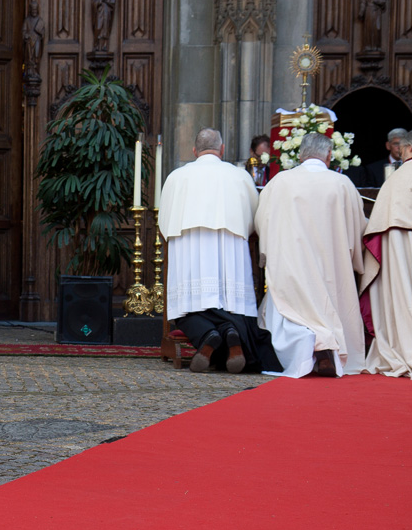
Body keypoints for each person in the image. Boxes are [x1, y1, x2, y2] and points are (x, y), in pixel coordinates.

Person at [159, 127, 278, 374]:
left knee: (189, 304)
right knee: (230, 303)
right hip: (229, 249)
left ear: (194, 150)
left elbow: (165, 223)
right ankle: (230, 331)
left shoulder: (177, 177)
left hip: (188, 249)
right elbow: (253, 220)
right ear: (222, 150)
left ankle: (209, 335)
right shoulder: (240, 176)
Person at [256, 133, 366, 378]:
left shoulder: (280, 181)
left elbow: (262, 220)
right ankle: (326, 346)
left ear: (300, 155)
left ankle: (309, 347)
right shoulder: (342, 183)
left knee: (291, 307)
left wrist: (268, 252)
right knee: (329, 302)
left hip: (292, 264)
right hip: (331, 265)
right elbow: (357, 225)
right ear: (329, 155)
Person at [358, 135, 412, 376]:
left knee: (400, 296)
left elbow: (374, 232)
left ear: (409, 148)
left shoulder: (395, 179)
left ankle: (400, 345)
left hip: (397, 251)